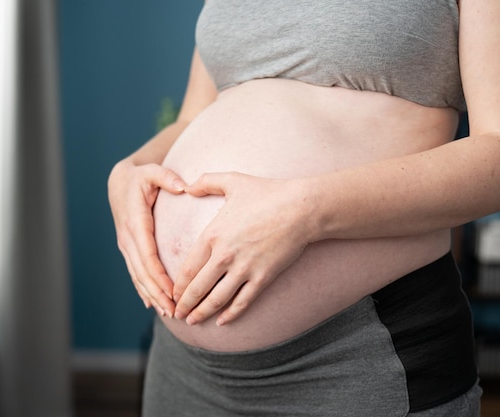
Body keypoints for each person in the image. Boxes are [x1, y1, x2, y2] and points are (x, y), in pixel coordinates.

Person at [108, 0, 499, 415]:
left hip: (356, 357)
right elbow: (192, 117)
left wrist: (305, 212)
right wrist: (131, 169)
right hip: (183, 371)